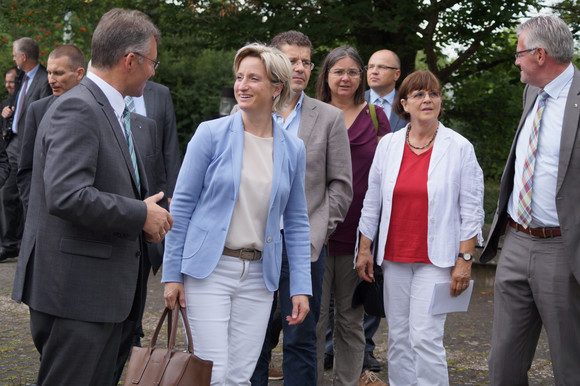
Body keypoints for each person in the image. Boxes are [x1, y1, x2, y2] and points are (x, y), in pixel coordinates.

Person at [11, 8, 172, 385]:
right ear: (129, 60)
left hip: (102, 297)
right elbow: (67, 194)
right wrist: (139, 215)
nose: (153, 71)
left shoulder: (110, 110)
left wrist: (146, 222)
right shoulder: (78, 108)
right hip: (76, 295)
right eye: (152, 62)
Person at [162, 42, 312, 385]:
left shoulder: (293, 148)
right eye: (239, 77)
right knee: (212, 374)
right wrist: (172, 275)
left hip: (260, 277)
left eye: (253, 78)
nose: (242, 85)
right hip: (209, 272)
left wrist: (300, 287)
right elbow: (181, 207)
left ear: (277, 87)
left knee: (241, 376)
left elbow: (298, 222)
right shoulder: (210, 134)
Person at [356, 70, 484, 386]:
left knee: (425, 337)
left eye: (434, 93)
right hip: (395, 257)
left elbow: (471, 210)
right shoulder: (388, 145)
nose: (428, 99)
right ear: (404, 104)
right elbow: (372, 200)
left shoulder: (459, 147)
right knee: (398, 337)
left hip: (437, 259)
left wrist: (464, 261)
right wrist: (364, 248)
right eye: (418, 94)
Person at [248, 31, 353, 385]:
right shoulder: (247, 110)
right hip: (253, 243)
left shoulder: (328, 117)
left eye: (306, 61)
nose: (300, 68)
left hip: (304, 246)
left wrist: (319, 230)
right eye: (292, 60)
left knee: (302, 338)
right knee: (254, 336)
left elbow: (341, 185)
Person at [480, 15, 580, 386]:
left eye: (519, 53)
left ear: (540, 54)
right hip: (516, 241)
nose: (516, 62)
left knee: (570, 366)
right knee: (502, 365)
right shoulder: (531, 92)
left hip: (563, 249)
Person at [314, 45, 390, 385]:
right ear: (326, 76)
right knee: (312, 319)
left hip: (359, 236)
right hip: (316, 232)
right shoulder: (310, 113)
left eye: (352, 72)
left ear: (361, 78)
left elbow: (389, 176)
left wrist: (373, 239)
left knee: (350, 319)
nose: (345, 78)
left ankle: (346, 381)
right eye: (338, 71)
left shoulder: (375, 116)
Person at [124, 80, 181, 348]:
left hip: (154, 196)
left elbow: (169, 146)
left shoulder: (160, 93)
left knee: (144, 261)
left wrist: (171, 192)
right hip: (120, 195)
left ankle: (133, 329)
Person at [17, 44, 86, 211]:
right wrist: (33, 208)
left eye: (58, 73)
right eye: (49, 72)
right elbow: (26, 168)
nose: (51, 80)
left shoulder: (97, 109)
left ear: (79, 73)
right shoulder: (38, 110)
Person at [0, 37, 51, 262]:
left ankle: (31, 244)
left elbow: (45, 114)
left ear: (23, 56)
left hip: (30, 145)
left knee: (28, 195)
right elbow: (20, 106)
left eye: (14, 54)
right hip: (13, 143)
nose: (12, 58)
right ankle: (9, 244)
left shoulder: (44, 79)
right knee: (6, 192)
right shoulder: (21, 78)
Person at [365, 49, 406, 132]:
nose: (374, 72)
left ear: (396, 74)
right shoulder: (354, 101)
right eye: (371, 67)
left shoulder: (408, 104)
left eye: (382, 67)